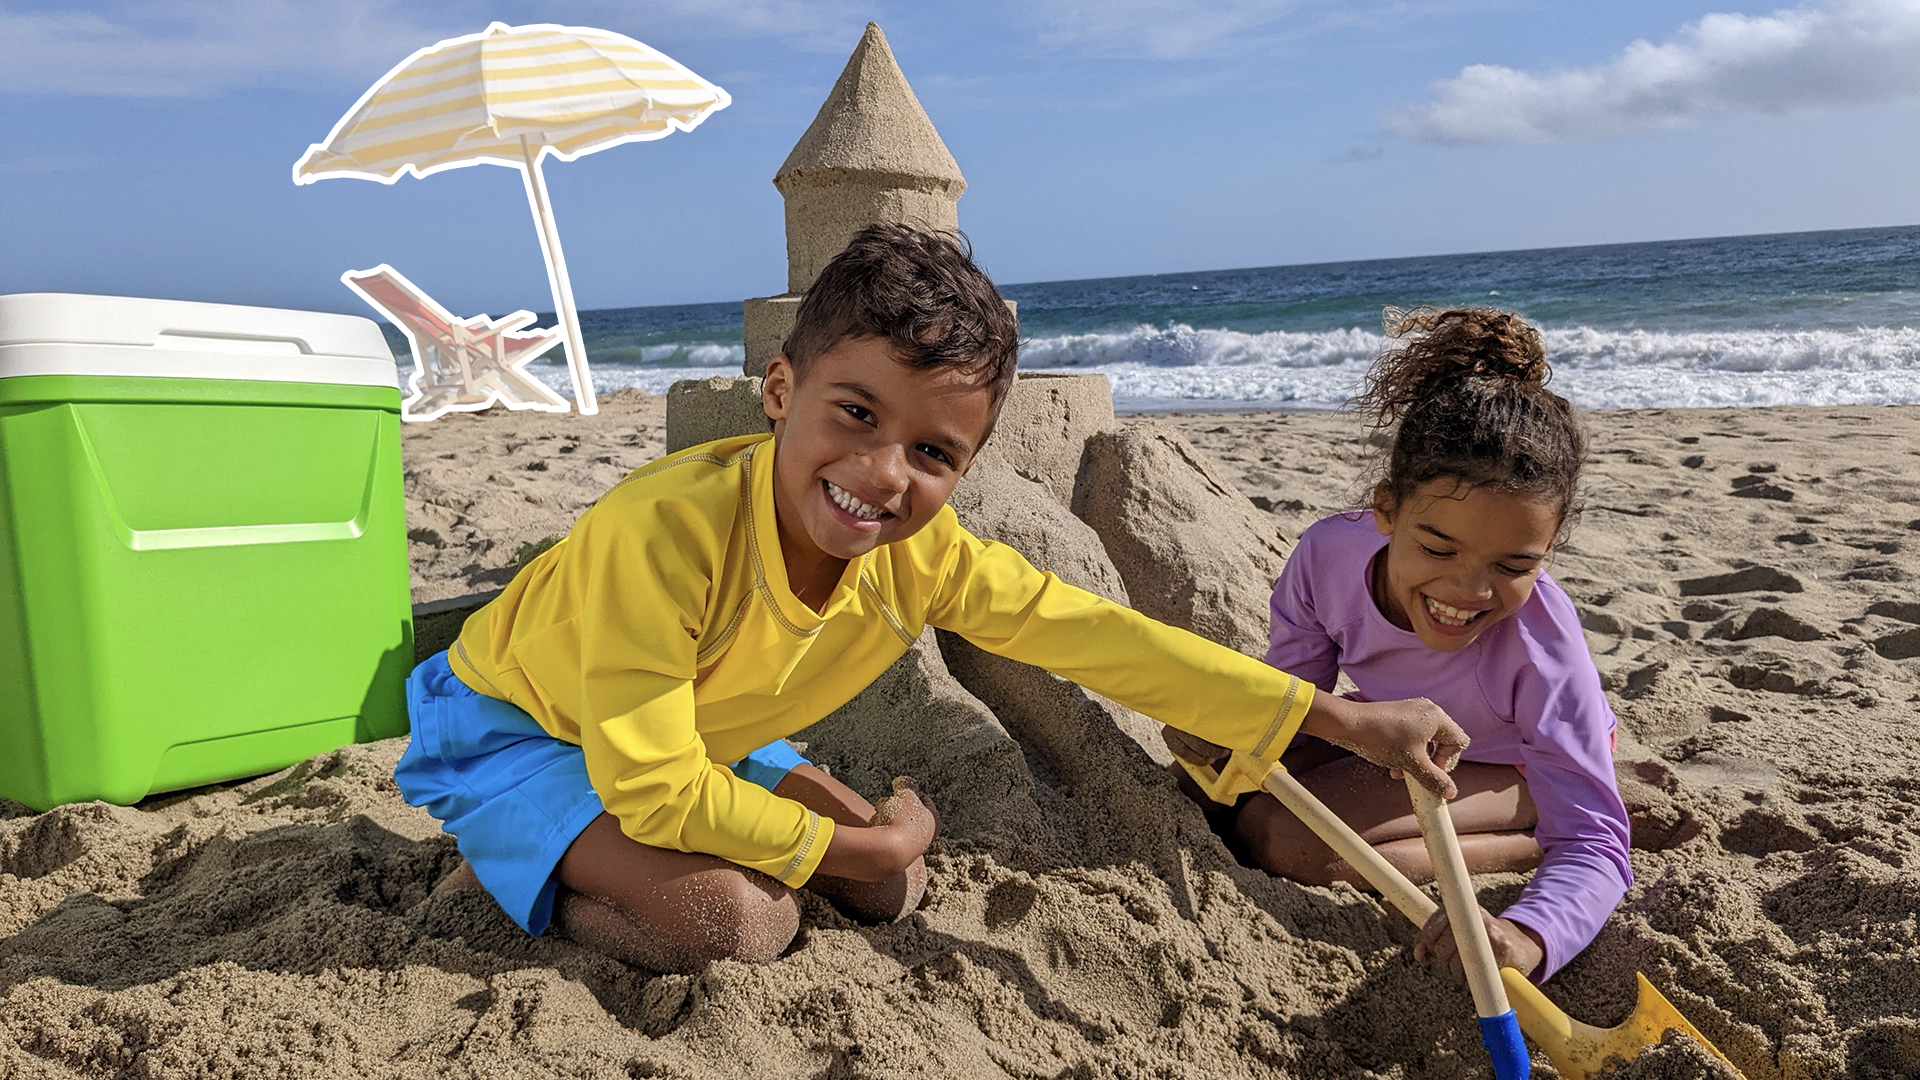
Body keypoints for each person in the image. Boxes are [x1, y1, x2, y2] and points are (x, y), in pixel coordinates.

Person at [396, 223, 1470, 973]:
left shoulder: (927, 555)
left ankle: (636, 849)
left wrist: (1340, 720)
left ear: (967, 467)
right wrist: (848, 844)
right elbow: (653, 788)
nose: (882, 471)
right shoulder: (666, 536)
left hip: (689, 741)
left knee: (887, 893)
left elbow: (1103, 640)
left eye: (932, 451)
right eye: (854, 413)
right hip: (522, 730)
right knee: (734, 921)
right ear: (781, 393)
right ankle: (502, 869)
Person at [1166, 306, 1631, 984]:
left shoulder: (1540, 643)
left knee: (1287, 842)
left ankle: (1530, 834)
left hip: (1520, 764)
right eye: (1437, 547)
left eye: (1513, 566)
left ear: (1548, 549)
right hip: (1399, 731)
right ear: (1388, 510)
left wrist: (1529, 934)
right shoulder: (1328, 557)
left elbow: (1593, 841)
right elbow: (1294, 697)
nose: (1469, 591)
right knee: (1199, 788)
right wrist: (1228, 731)